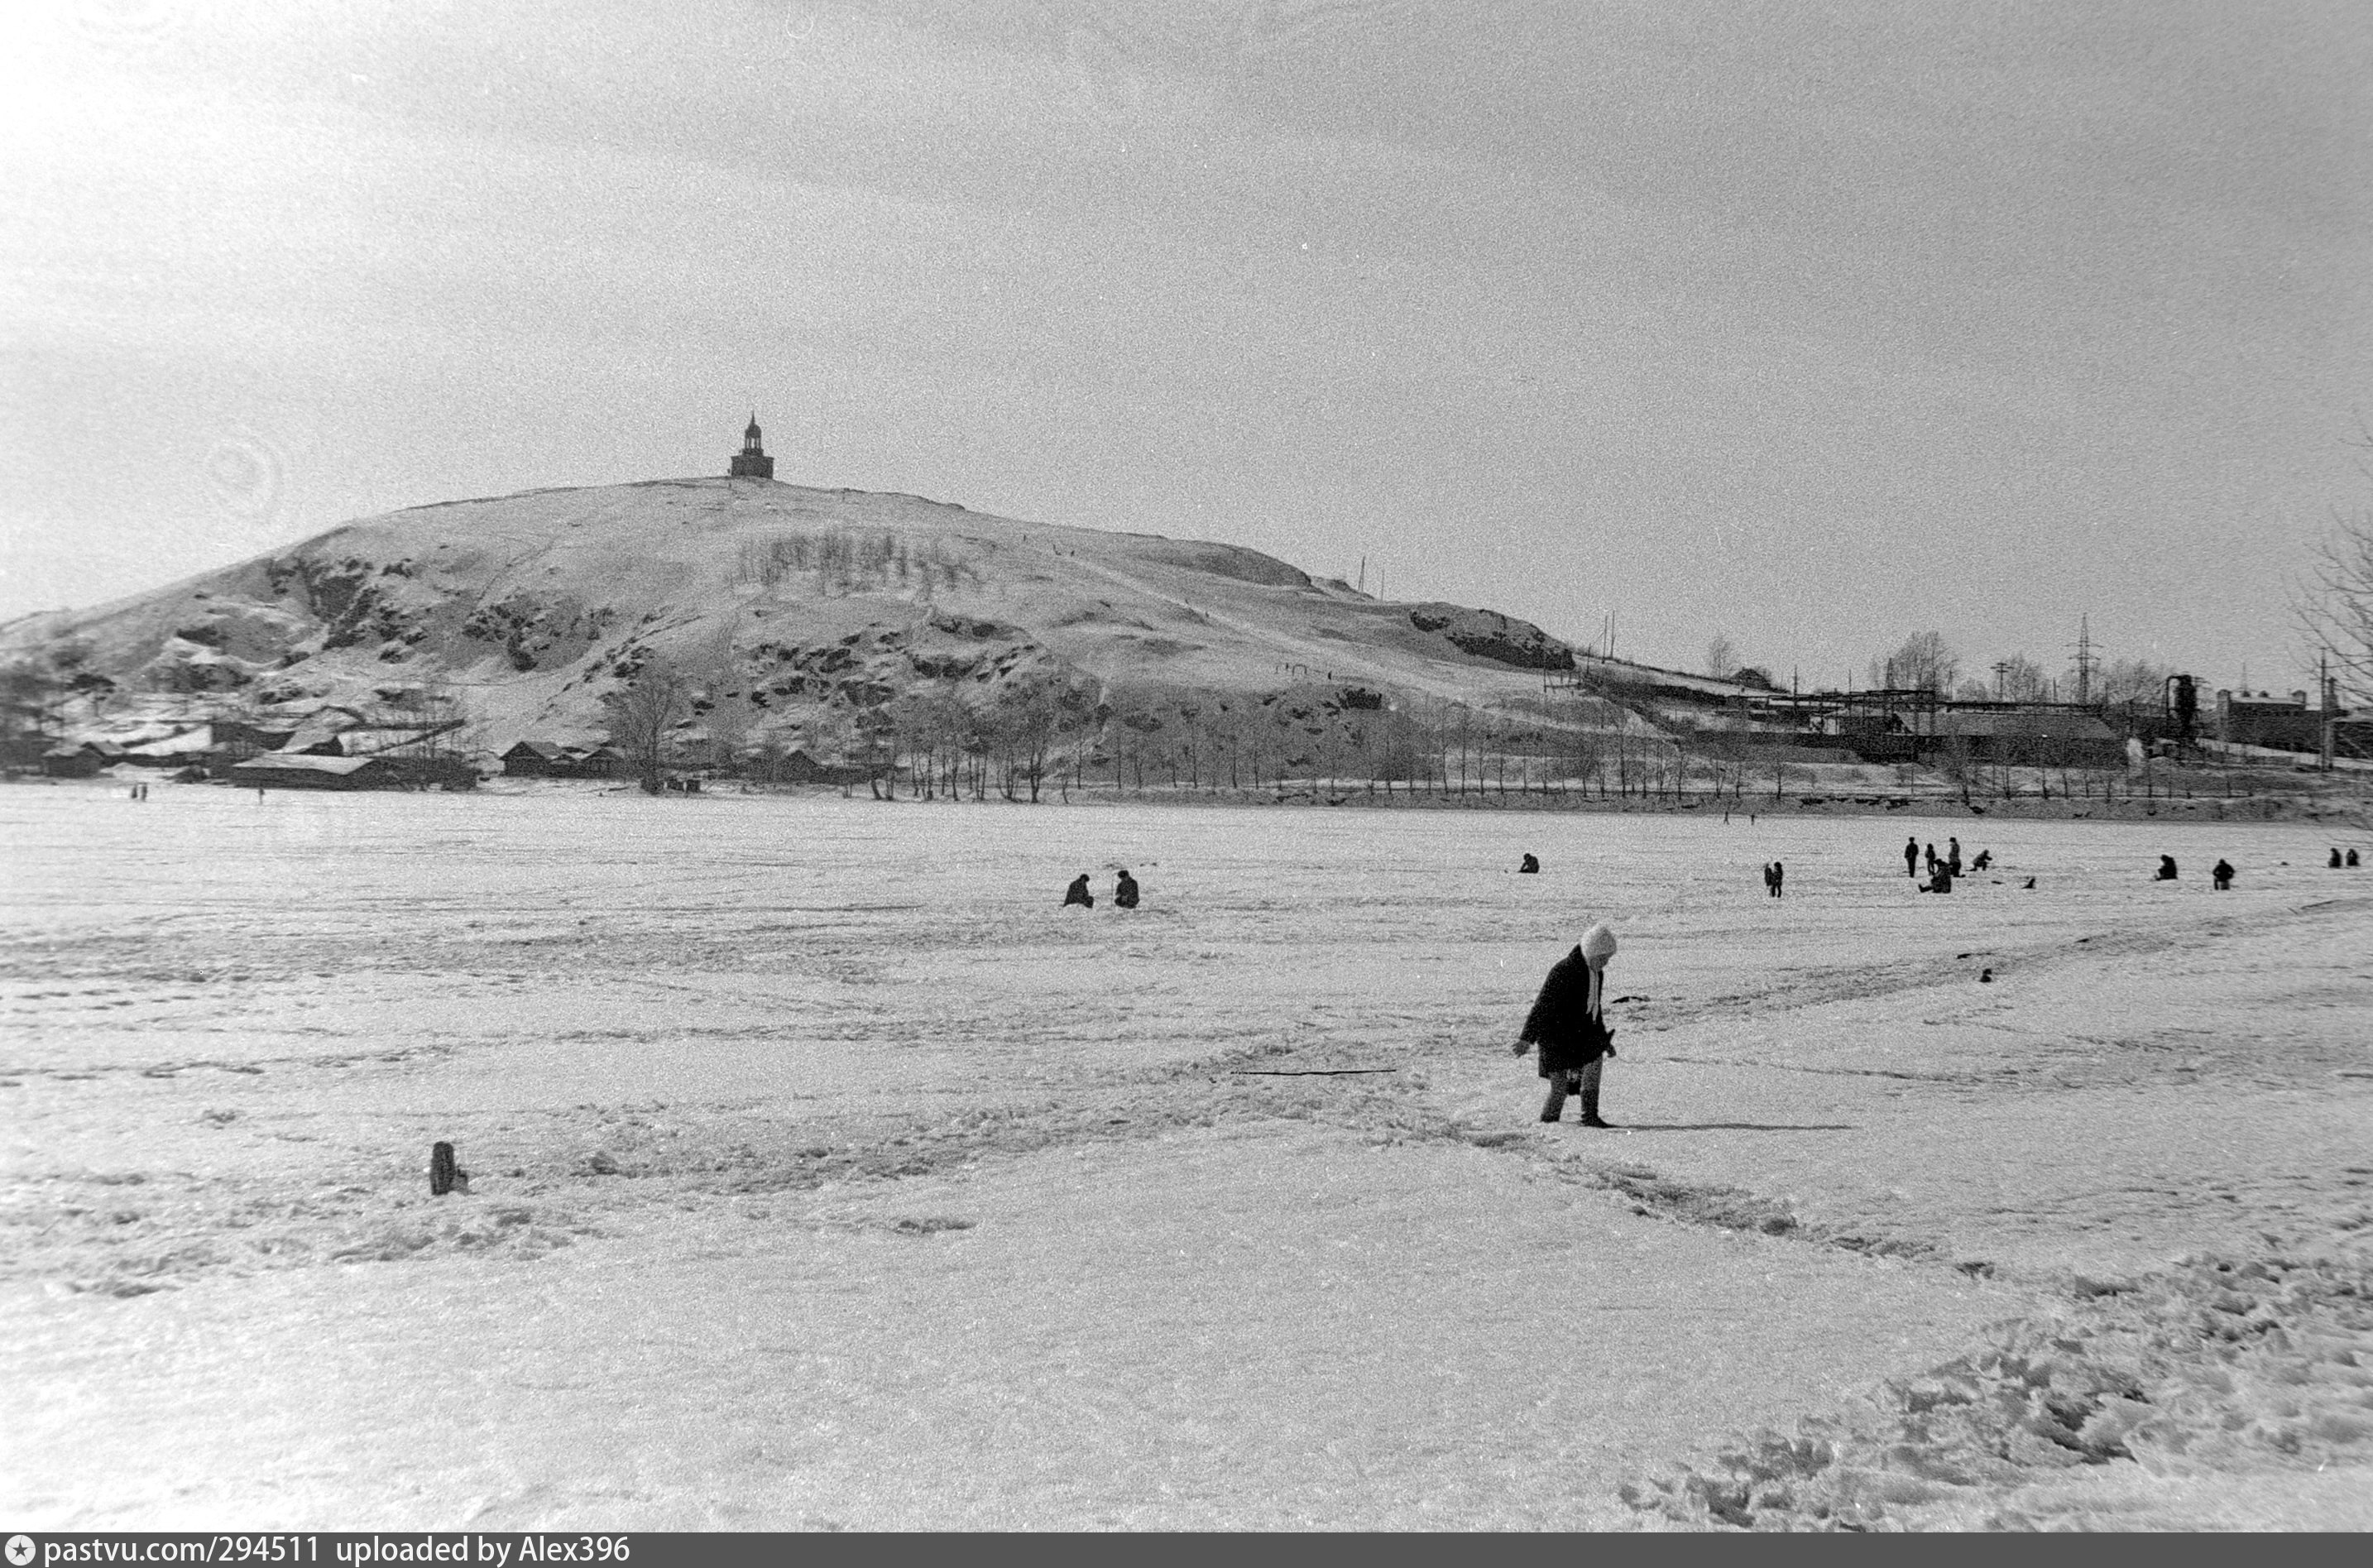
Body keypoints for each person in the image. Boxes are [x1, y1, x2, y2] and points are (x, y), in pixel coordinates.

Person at [1513, 923, 1619, 1128]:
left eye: (1608, 959)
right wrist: (1526, 1039)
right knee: (1559, 1089)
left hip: (1577, 1035)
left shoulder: (1595, 973)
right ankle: (1547, 1125)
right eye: (1603, 958)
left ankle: (1590, 1116)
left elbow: (1594, 1012)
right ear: (1592, 952)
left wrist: (1604, 1041)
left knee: (1595, 1059)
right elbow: (1541, 1007)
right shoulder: (1564, 970)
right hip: (1554, 1038)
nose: (1606, 963)